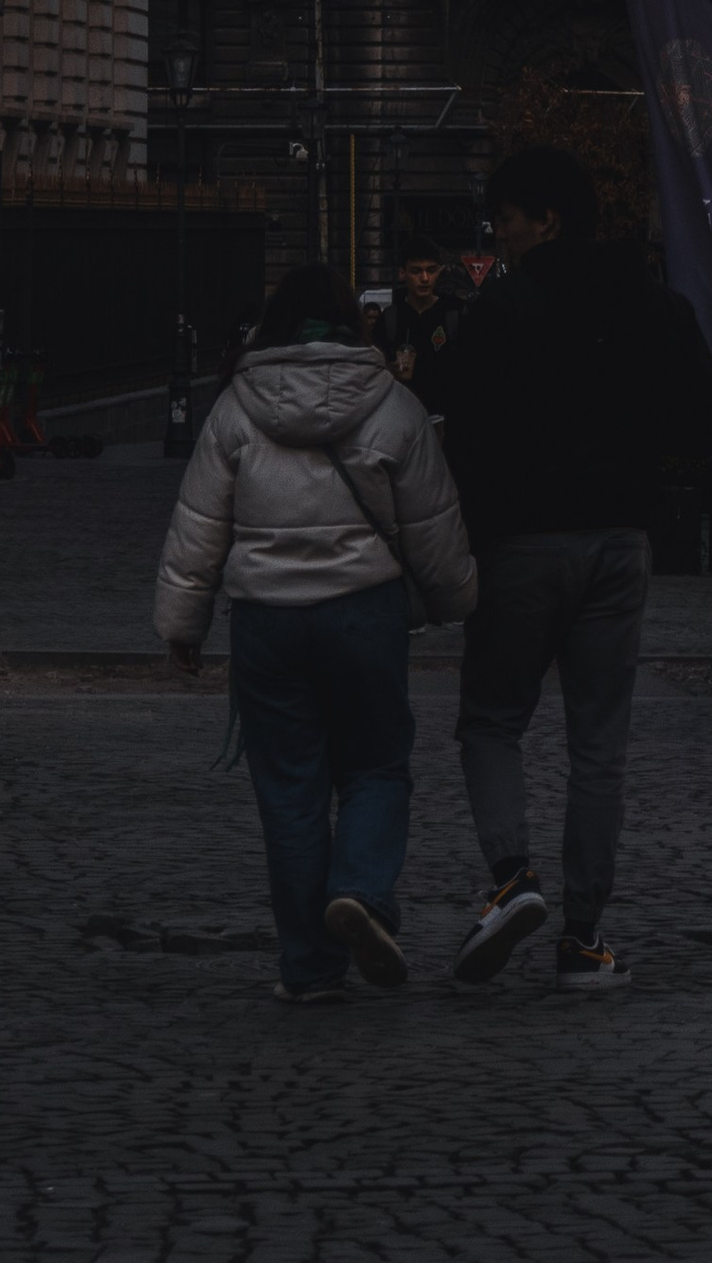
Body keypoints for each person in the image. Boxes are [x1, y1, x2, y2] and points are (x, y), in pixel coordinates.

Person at [426, 146, 712, 997]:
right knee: (600, 741)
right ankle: (584, 937)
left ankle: (513, 876)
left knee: (490, 719)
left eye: (508, 220)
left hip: (522, 541)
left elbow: (463, 430)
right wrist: (638, 456)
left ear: (546, 220)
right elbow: (707, 422)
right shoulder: (653, 303)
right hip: (621, 540)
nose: (502, 235)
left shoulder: (503, 308)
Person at [155, 261, 476, 1002]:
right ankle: (360, 889)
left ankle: (307, 967)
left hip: (266, 621)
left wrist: (183, 622)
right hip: (365, 611)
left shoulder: (236, 408)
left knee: (291, 793)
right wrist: (458, 598)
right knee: (376, 765)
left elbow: (199, 524)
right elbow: (432, 523)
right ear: (352, 321)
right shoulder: (393, 405)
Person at [374, 248, 466, 393]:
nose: (424, 278)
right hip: (403, 405)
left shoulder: (454, 314)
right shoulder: (390, 318)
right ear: (402, 273)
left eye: (431, 270)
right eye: (416, 271)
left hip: (444, 408)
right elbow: (375, 368)